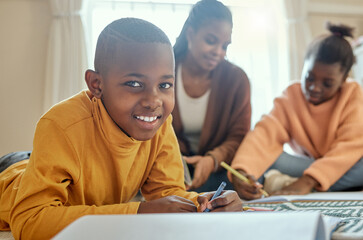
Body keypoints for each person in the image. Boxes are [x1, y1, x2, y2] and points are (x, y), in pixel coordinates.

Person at [0, 18, 242, 239]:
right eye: (134, 83)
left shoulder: (158, 122)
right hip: (13, 174)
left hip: (57, 165)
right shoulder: (61, 124)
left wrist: (204, 202)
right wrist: (138, 211)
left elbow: (165, 193)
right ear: (96, 84)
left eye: (165, 84)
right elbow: (30, 221)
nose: (153, 100)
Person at [230, 23, 363, 200]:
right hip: (309, 165)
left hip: (344, 163)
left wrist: (307, 181)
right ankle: (321, 184)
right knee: (269, 159)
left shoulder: (353, 94)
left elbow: (349, 148)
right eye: (309, 78)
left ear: (343, 79)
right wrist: (242, 171)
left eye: (327, 83)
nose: (315, 88)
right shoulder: (291, 95)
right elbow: (264, 134)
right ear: (303, 67)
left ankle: (312, 184)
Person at [172, 0, 251, 192]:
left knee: (246, 180)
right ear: (190, 34)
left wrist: (212, 160)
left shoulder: (237, 79)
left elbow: (238, 136)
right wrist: (175, 162)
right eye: (211, 41)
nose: (218, 52)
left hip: (216, 170)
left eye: (225, 45)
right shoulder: (164, 72)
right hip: (169, 166)